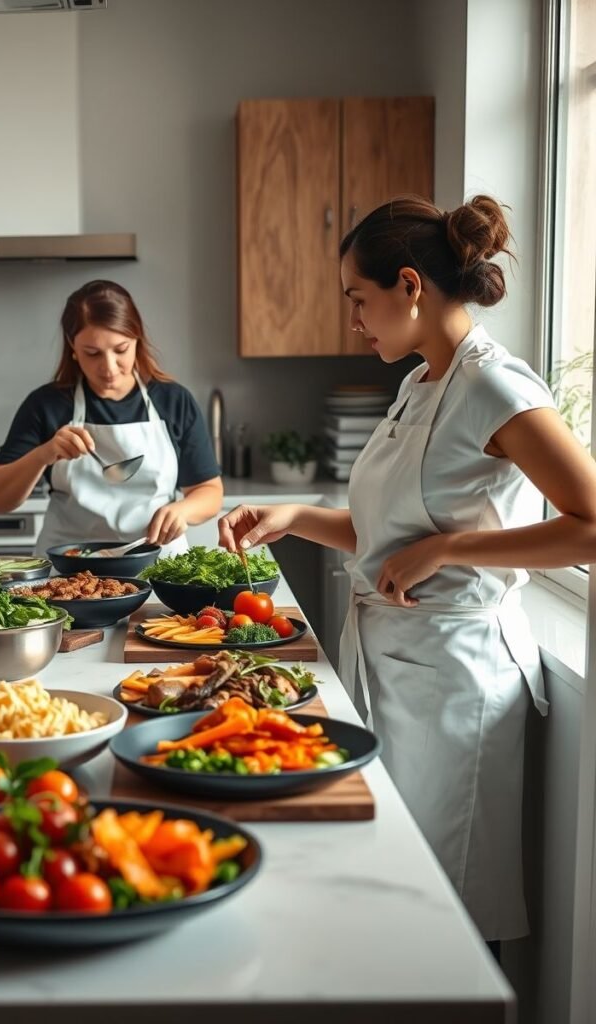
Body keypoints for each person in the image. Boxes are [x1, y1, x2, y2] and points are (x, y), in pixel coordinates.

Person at [219, 195, 596, 942]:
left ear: (410, 287)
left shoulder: (495, 387)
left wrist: (452, 549)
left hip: (457, 680)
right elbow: (386, 533)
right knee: (394, 891)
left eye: (360, 299)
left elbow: (589, 525)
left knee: (448, 909)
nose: (355, 320)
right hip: (394, 664)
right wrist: (292, 517)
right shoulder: (420, 383)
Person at [0, 280, 223, 554]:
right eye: (92, 353)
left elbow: (209, 491)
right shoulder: (46, 405)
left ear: (137, 339)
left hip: (158, 567)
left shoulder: (173, 400)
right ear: (73, 347)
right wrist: (44, 453)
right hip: (68, 571)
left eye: (120, 350)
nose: (108, 368)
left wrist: (183, 510)